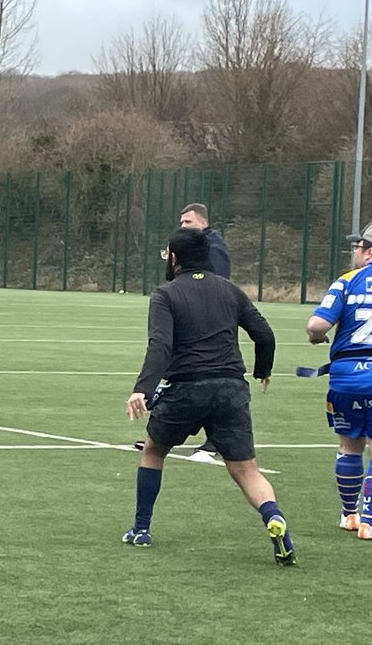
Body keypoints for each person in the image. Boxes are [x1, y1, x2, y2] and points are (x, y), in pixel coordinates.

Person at [123, 227, 293, 565]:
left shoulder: (165, 294)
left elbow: (161, 345)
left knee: (154, 451)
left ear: (174, 258)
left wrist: (141, 389)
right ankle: (275, 519)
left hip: (185, 389)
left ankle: (140, 529)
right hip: (230, 389)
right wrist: (263, 370)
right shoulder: (230, 290)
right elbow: (264, 334)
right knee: (246, 469)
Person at [305, 220, 372, 540]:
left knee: (349, 448)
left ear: (369, 252)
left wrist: (316, 339)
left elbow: (316, 326)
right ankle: (370, 521)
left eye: (357, 247)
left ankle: (349, 515)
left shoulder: (347, 281)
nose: (353, 252)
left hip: (345, 378)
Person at [134, 203, 233, 460]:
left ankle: (214, 442)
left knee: (211, 377)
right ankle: (159, 435)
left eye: (187, 222)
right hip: (192, 316)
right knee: (182, 371)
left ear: (203, 222)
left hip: (210, 324)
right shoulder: (197, 245)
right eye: (181, 223)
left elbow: (217, 282)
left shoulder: (213, 246)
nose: (182, 227)